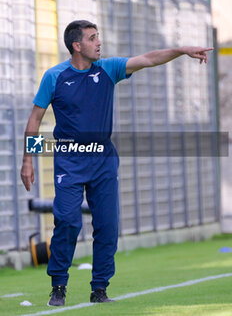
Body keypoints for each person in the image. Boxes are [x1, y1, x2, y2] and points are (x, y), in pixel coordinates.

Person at [21, 20, 213, 306]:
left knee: (108, 226)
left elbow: (148, 59)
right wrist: (28, 161)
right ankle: (58, 285)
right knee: (68, 222)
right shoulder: (54, 77)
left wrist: (182, 50)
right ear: (77, 45)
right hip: (69, 162)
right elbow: (35, 119)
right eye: (92, 38)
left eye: (98, 36)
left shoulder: (108, 69)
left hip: (103, 160)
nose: (99, 42)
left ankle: (100, 288)